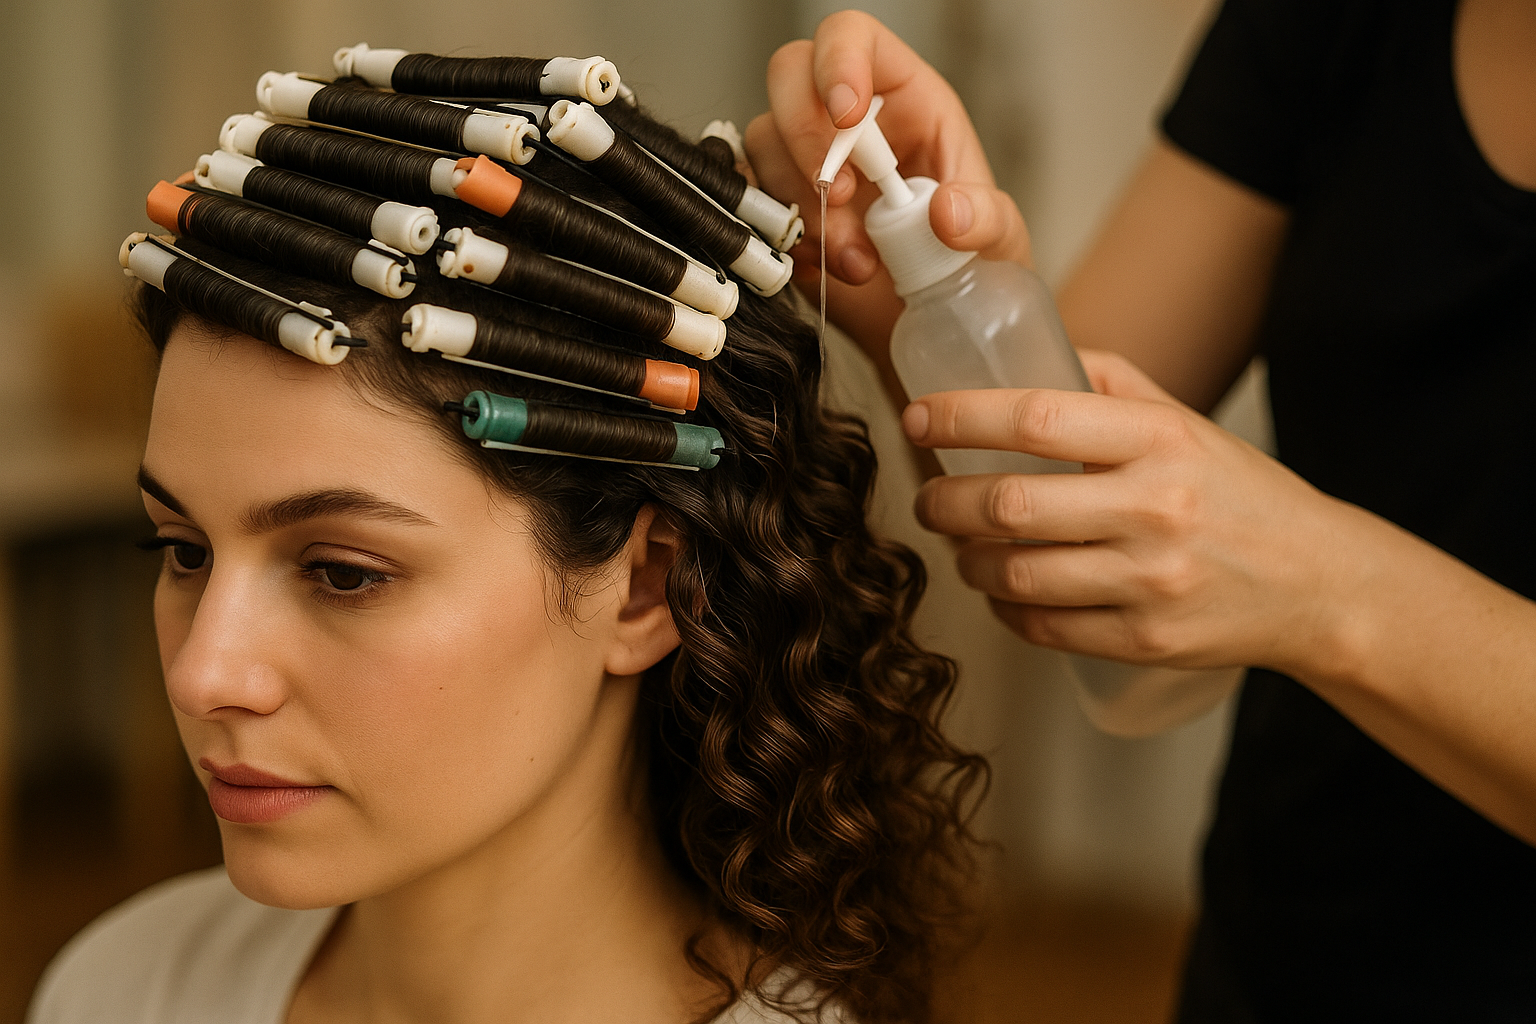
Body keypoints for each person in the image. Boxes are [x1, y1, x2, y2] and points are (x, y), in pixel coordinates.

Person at [27, 55, 985, 1024]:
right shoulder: (122, 987)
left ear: (649, 586)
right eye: (183, 550)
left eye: (343, 573)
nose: (203, 673)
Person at [746, 1, 1536, 1019]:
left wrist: (1324, 585)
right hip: (1292, 940)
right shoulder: (1333, 27)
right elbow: (1052, 481)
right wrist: (903, 277)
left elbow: (1290, 572)